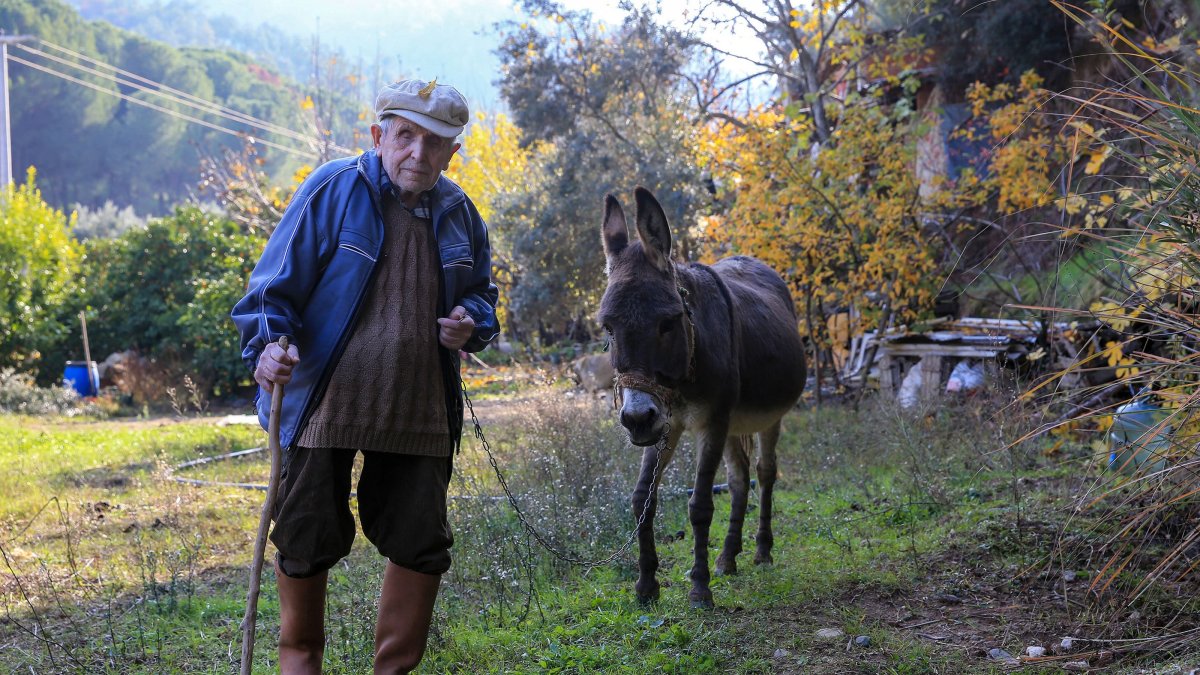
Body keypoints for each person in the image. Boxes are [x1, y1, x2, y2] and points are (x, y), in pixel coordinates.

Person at [231, 78, 499, 674]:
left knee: (420, 544)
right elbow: (270, 291)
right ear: (379, 136)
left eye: (436, 144)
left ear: (453, 152)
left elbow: (484, 298)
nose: (418, 156)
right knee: (303, 542)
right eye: (406, 137)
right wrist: (269, 346)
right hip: (322, 406)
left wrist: (469, 322)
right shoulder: (333, 189)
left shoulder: (459, 213)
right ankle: (299, 661)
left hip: (417, 409)